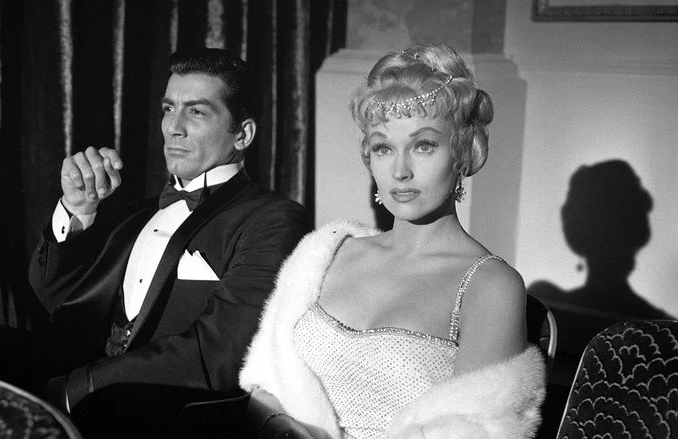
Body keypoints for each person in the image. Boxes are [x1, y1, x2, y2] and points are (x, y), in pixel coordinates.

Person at [239, 44, 545, 438]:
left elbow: (478, 432)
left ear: (462, 152)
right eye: (383, 147)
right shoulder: (326, 253)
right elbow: (265, 387)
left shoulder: (489, 286)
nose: (400, 171)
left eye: (423, 145)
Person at [28, 47, 309, 422]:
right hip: (63, 379)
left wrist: (74, 388)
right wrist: (77, 208)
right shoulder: (136, 212)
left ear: (242, 134)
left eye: (196, 112)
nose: (173, 127)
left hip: (153, 414)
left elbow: (218, 353)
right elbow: (50, 299)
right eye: (168, 108)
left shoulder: (271, 219)